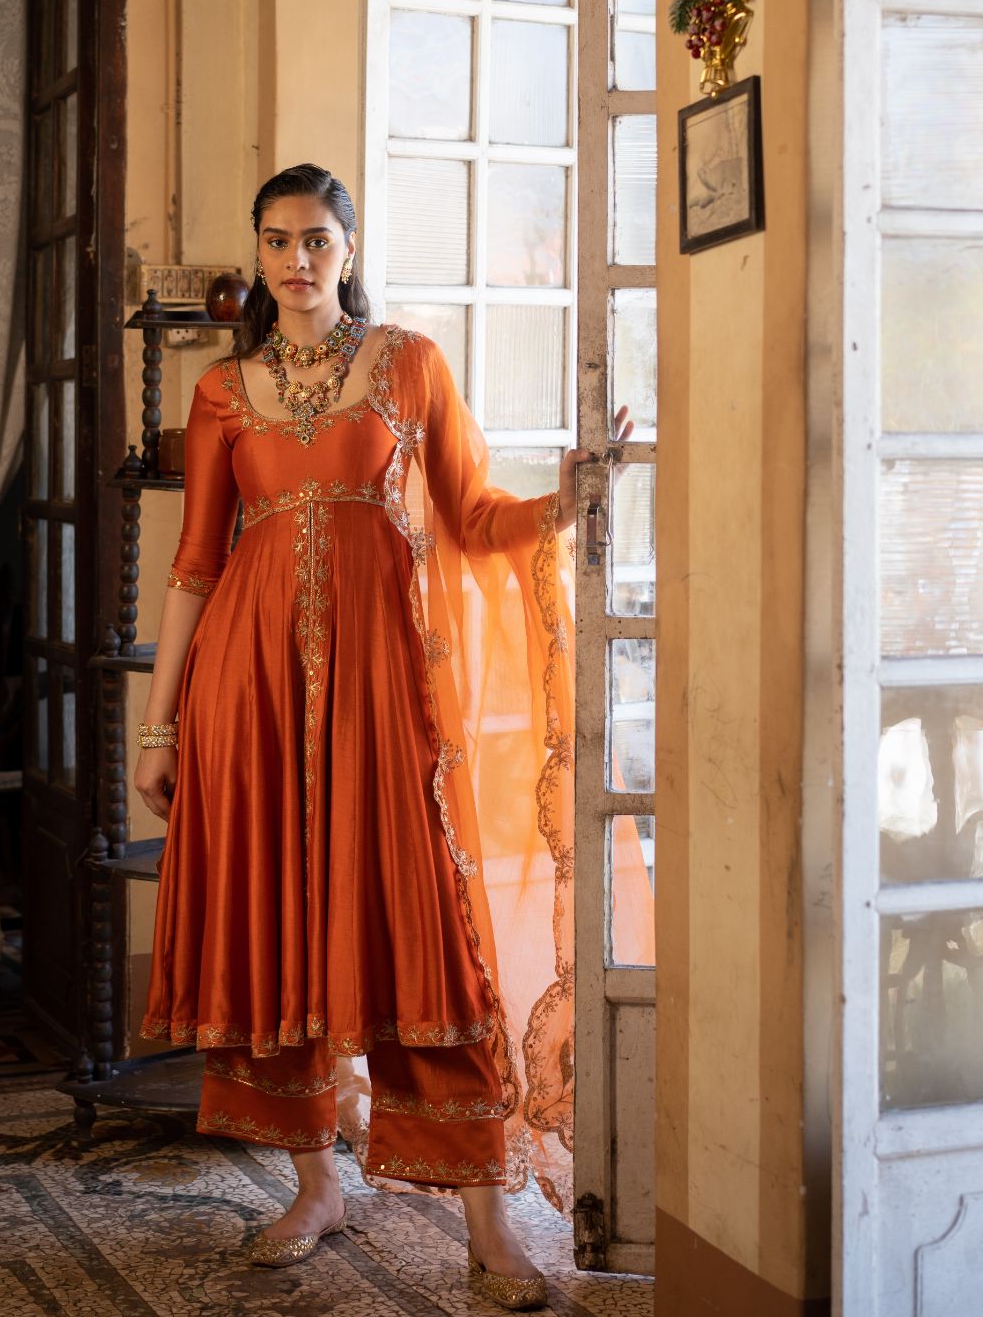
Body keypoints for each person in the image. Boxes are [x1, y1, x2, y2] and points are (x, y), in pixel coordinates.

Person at [135, 163, 632, 1307]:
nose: (295, 261)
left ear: (348, 250)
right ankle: (315, 1186)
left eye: (315, 239)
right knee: (275, 936)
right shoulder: (223, 395)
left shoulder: (408, 365)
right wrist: (159, 728)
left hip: (381, 695)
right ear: (257, 255)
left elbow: (472, 514)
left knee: (421, 939)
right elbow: (195, 569)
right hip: (246, 697)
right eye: (275, 242)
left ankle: (489, 1227)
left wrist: (565, 496)